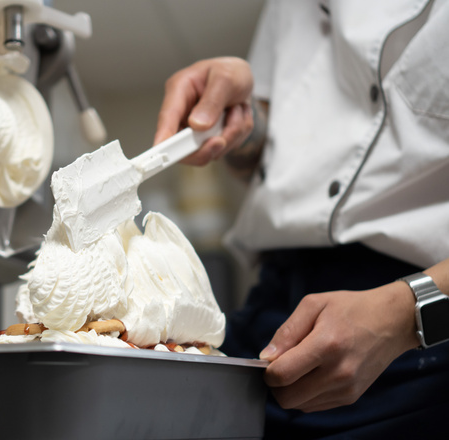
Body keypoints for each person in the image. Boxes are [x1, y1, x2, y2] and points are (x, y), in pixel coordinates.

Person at [154, 1, 449, 438]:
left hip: (419, 335)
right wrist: (236, 122)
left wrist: (404, 314)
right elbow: (262, 159)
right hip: (271, 310)